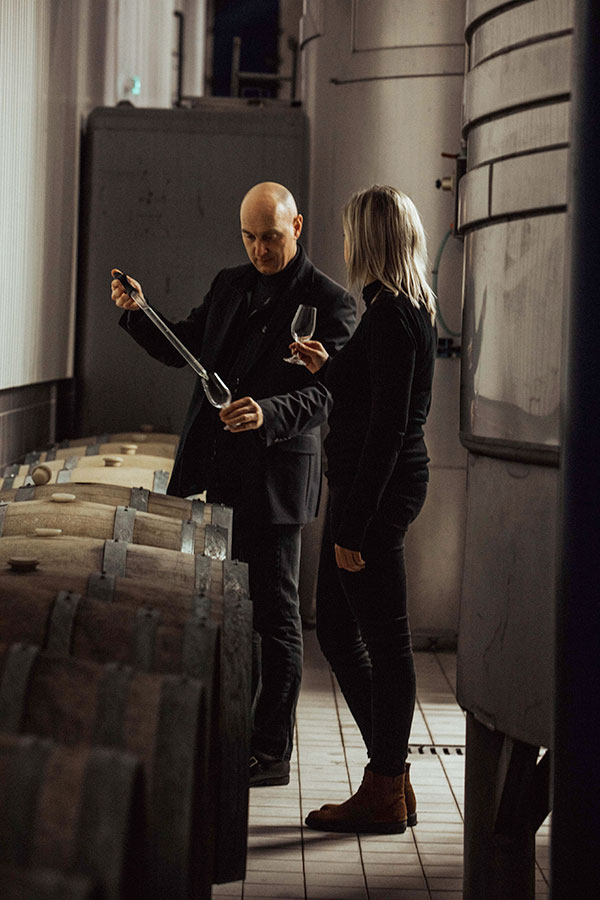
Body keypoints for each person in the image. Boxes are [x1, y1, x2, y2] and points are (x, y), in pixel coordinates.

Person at [110, 181, 355, 787]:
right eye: (248, 237)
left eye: (270, 237)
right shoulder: (230, 284)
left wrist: (267, 412)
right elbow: (189, 346)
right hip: (220, 472)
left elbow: (330, 393)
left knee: (277, 617)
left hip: (274, 479)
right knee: (232, 615)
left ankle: (271, 752)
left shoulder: (331, 301)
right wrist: (139, 315)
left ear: (297, 228)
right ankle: (237, 736)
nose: (259, 250)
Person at [290, 185, 437, 832]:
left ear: (370, 240)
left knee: (378, 639)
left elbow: (388, 427)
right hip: (365, 487)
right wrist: (330, 365)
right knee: (346, 631)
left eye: (351, 232)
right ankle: (391, 776)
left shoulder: (391, 316)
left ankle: (385, 783)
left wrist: (356, 526)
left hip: (372, 494)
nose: (345, 244)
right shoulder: (398, 312)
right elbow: (371, 391)